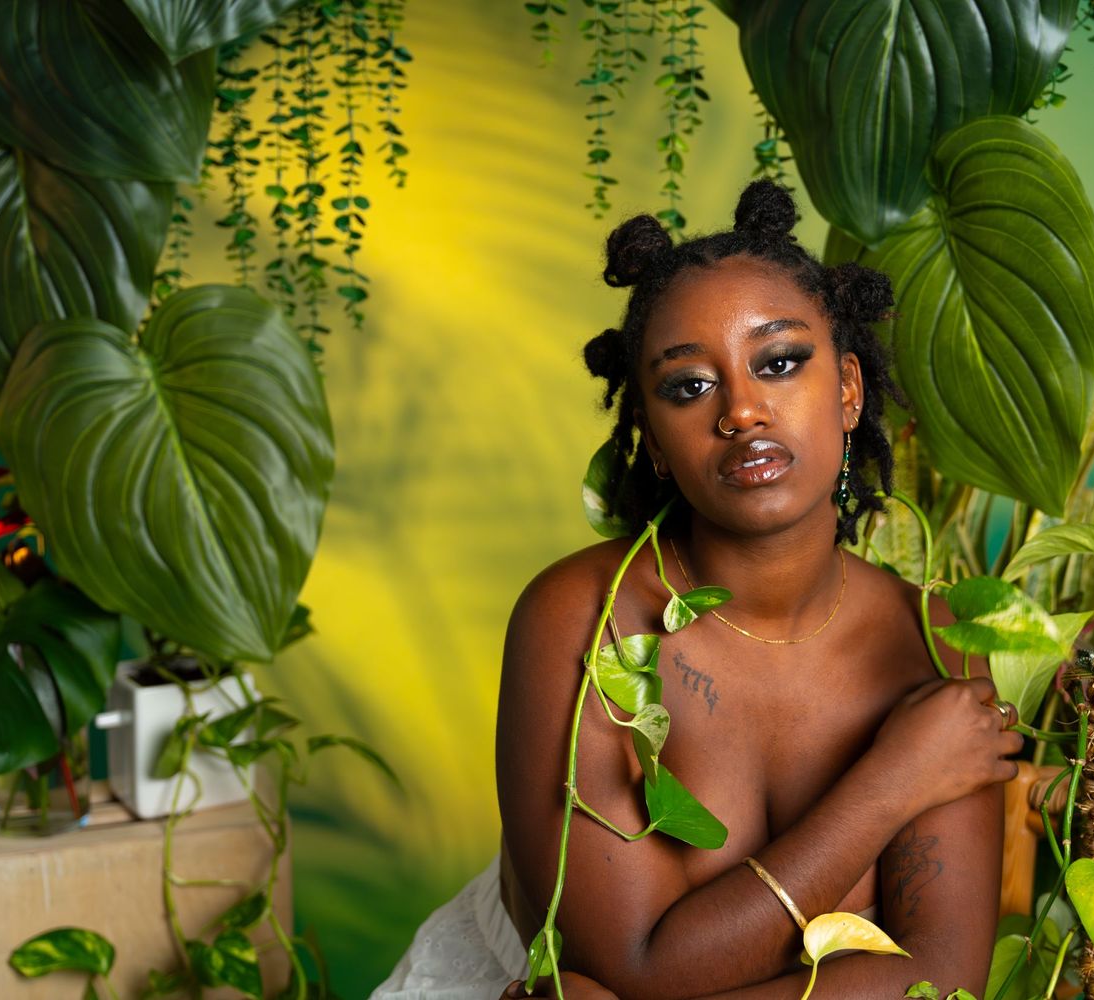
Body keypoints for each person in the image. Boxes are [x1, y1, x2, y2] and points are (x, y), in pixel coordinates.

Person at [374, 180, 1022, 1000]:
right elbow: (630, 969)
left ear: (849, 391)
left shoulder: (936, 643)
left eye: (780, 362)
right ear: (648, 436)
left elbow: (941, 977)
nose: (743, 411)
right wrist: (893, 780)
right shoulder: (584, 620)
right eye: (690, 387)